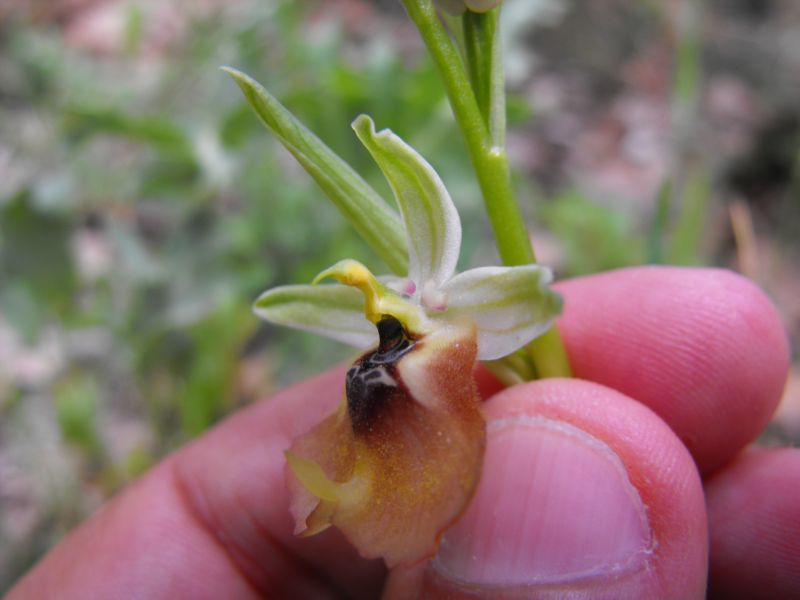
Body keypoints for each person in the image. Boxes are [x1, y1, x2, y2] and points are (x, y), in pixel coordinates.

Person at [7, 267, 798, 599]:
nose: (390, 326)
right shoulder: (415, 341)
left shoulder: (466, 313)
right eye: (389, 318)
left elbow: (533, 303)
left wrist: (414, 333)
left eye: (395, 319)